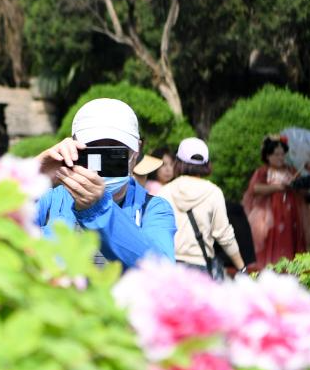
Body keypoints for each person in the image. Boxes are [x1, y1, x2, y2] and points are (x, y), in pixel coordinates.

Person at [36, 98, 176, 269]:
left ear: (136, 151)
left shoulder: (154, 209)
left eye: (114, 151)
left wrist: (98, 209)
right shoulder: (51, 200)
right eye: (93, 149)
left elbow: (162, 270)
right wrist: (31, 177)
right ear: (74, 147)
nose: (102, 163)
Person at [157, 138, 245, 277]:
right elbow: (224, 235)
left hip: (170, 268)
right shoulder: (213, 192)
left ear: (178, 162)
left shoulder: (164, 191)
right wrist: (242, 267)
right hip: (201, 269)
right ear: (206, 164)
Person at [243, 134, 310, 269]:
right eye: (276, 155)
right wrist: (277, 187)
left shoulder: (290, 170)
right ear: (267, 156)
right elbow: (255, 188)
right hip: (270, 215)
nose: (280, 158)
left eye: (282, 154)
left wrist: (295, 185)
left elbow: (303, 190)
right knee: (273, 241)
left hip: (291, 214)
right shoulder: (263, 171)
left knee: (290, 239)